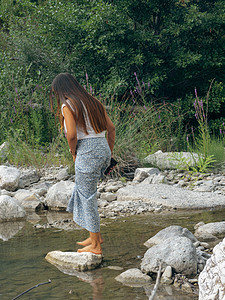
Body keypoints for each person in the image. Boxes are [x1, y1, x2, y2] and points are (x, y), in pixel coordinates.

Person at [50, 73, 115, 255]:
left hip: (86, 151)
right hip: (102, 148)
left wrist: (73, 152)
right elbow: (111, 128)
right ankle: (95, 236)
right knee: (85, 193)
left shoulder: (67, 105)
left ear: (61, 91)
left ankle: (96, 246)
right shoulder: (94, 101)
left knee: (87, 198)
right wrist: (108, 151)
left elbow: (72, 135)